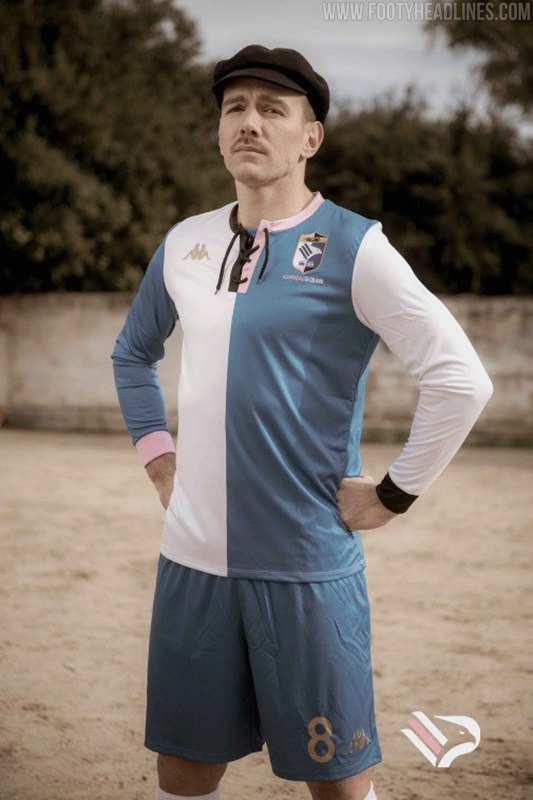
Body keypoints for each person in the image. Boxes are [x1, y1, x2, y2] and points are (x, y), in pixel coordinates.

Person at [112, 44, 493, 800]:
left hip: (305, 568)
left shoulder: (356, 246)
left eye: (271, 109)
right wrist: (160, 460)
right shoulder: (184, 243)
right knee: (183, 774)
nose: (249, 122)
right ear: (219, 131)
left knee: (339, 785)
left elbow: (460, 379)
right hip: (192, 562)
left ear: (309, 137)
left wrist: (393, 495)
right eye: (234, 108)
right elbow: (132, 353)